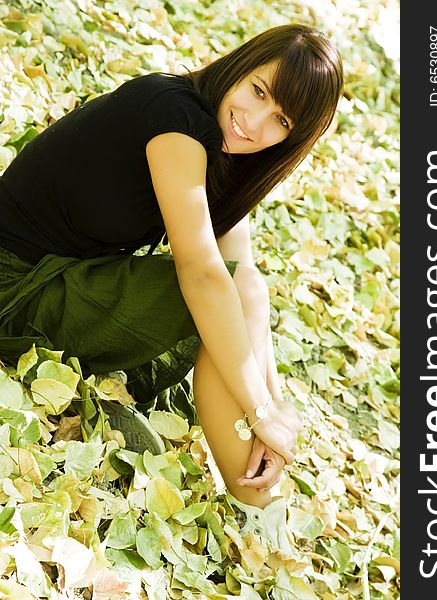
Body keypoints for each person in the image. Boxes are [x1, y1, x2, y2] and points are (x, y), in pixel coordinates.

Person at [0, 24, 343, 551]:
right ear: (240, 65)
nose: (254, 124)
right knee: (222, 300)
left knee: (244, 290)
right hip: (14, 287)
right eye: (258, 91)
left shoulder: (221, 147)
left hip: (62, 279)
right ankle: (260, 520)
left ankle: (261, 503)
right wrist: (260, 410)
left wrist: (274, 408)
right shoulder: (175, 119)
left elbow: (245, 280)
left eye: (281, 121)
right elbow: (204, 274)